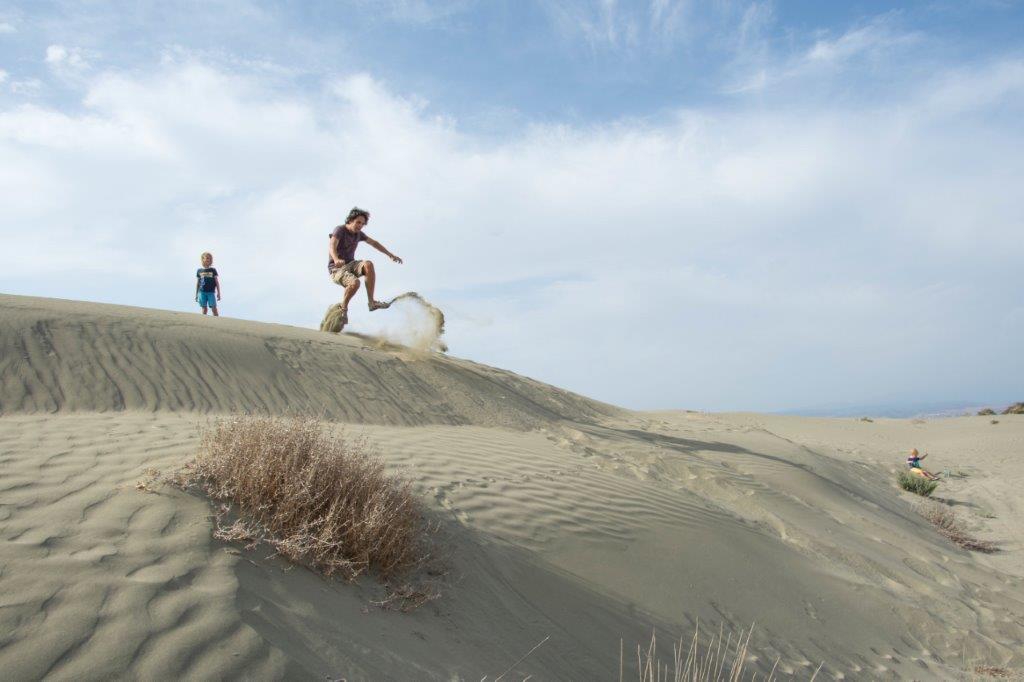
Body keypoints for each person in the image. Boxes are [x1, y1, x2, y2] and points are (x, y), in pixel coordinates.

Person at [327, 207, 403, 326]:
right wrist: (336, 259)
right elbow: (332, 245)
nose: (360, 226)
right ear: (350, 220)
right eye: (358, 222)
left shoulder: (359, 235)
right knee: (355, 283)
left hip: (351, 264)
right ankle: (343, 309)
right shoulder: (340, 230)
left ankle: (371, 302)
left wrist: (390, 255)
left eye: (362, 224)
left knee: (368, 264)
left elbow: (374, 243)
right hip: (337, 269)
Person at [195, 252, 221, 316]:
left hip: (211, 292)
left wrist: (219, 293)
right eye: (206, 258)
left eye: (209, 258)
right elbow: (198, 283)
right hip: (201, 292)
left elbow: (217, 282)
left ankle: (217, 322)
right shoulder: (199, 271)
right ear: (202, 259)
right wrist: (196, 294)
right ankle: (204, 323)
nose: (207, 259)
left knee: (214, 308)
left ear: (211, 260)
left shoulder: (213, 270)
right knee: (204, 309)